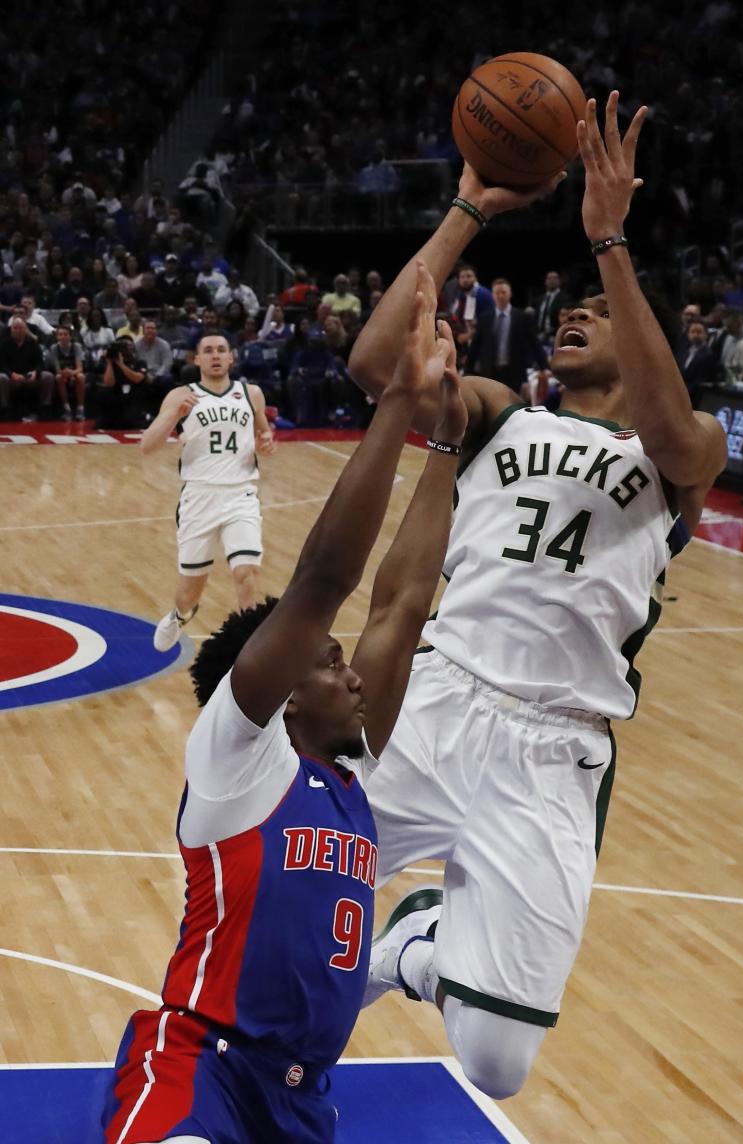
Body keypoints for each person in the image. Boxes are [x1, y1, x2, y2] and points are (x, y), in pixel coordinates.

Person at [348, 93, 727, 1100]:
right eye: (570, 304)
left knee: (497, 1063)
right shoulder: (500, 415)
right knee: (296, 899)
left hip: (558, 745)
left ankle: (422, 948)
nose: (572, 312)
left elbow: (680, 429)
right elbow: (378, 363)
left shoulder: (677, 456)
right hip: (437, 702)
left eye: (594, 311)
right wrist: (468, 207)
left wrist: (610, 242)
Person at [102, 267, 467, 1144]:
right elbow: (329, 581)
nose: (353, 678)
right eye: (329, 663)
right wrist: (398, 409)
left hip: (304, 1100)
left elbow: (402, 604)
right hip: (199, 1069)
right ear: (278, 690)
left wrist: (449, 442)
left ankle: (396, 956)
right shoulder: (236, 757)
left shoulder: (349, 770)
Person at [141, 332, 276, 652]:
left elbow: (264, 434)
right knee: (189, 593)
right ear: (197, 360)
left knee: (246, 572)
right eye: (208, 351)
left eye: (221, 350)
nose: (215, 355)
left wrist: (266, 442)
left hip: (240, 494)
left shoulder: (251, 393)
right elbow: (147, 445)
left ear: (231, 358)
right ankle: (179, 615)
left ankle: (249, 647)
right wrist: (174, 415)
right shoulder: (180, 396)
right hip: (198, 498)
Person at [464, 277, 549, 399]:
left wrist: (544, 367)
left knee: (512, 406)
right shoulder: (485, 318)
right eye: (497, 293)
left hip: (514, 369)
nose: (500, 296)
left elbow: (534, 343)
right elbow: (475, 345)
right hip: (489, 370)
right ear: (492, 295)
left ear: (510, 294)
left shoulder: (522, 317)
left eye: (503, 292)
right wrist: (468, 369)